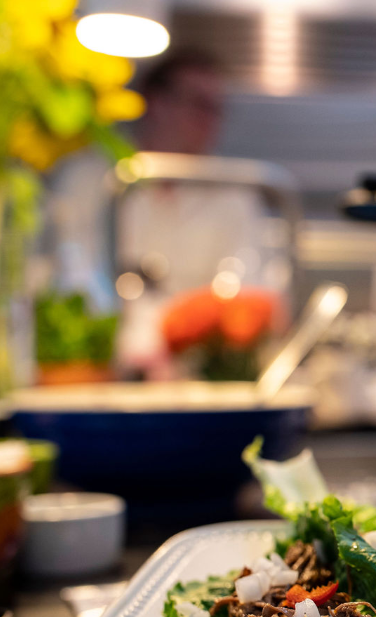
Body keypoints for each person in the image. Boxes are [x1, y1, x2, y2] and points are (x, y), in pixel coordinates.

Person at [46, 50, 284, 379]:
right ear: (155, 102)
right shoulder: (90, 179)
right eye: (198, 104)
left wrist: (184, 331)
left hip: (200, 379)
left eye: (216, 109)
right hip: (100, 374)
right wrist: (139, 342)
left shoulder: (235, 193)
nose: (209, 120)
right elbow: (75, 277)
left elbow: (245, 289)